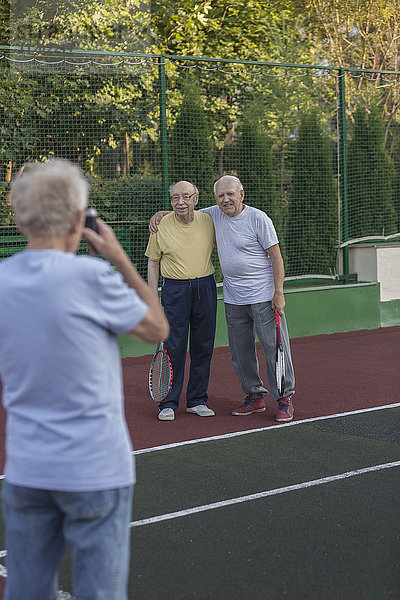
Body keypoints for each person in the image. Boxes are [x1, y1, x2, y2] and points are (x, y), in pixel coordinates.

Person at [0, 159, 169, 600]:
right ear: (80, 219)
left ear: (19, 219)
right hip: (95, 469)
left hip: (26, 469)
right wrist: (118, 258)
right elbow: (157, 329)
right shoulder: (92, 276)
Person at [150, 174, 295, 422]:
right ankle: (254, 396)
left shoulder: (258, 218)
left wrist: (278, 293)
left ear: (241, 194)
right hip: (232, 297)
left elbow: (276, 257)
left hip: (262, 295)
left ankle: (284, 399)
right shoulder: (213, 215)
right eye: (221, 195)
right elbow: (183, 208)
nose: (226, 199)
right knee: (240, 352)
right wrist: (161, 214)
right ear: (215, 199)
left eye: (230, 194)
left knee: (274, 349)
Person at [146, 180, 217, 421]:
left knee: (203, 346)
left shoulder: (209, 220)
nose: (180, 202)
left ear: (196, 199)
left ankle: (197, 400)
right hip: (174, 291)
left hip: (205, 288)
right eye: (175, 198)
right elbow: (153, 263)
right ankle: (168, 402)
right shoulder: (160, 226)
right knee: (173, 347)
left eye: (186, 197)